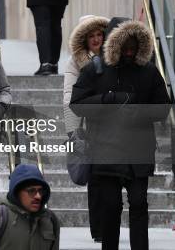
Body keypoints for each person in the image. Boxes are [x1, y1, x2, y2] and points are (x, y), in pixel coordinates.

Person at [70, 19, 170, 250]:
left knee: (139, 204)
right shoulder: (95, 69)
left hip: (138, 151)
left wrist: (138, 113)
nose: (129, 51)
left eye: (133, 47)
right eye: (124, 46)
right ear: (114, 44)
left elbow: (163, 107)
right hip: (106, 151)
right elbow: (77, 104)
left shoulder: (149, 71)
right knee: (111, 207)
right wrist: (108, 99)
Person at [62, 15, 108, 242]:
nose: (97, 39)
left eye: (100, 34)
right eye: (92, 36)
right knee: (96, 178)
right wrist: (73, 132)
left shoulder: (114, 57)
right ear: (84, 39)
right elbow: (69, 96)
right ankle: (98, 229)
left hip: (114, 127)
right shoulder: (75, 62)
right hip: (89, 126)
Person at [0, 164, 60, 250]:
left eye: (41, 191)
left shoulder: (50, 220)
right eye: (31, 191)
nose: (38, 196)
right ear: (16, 192)